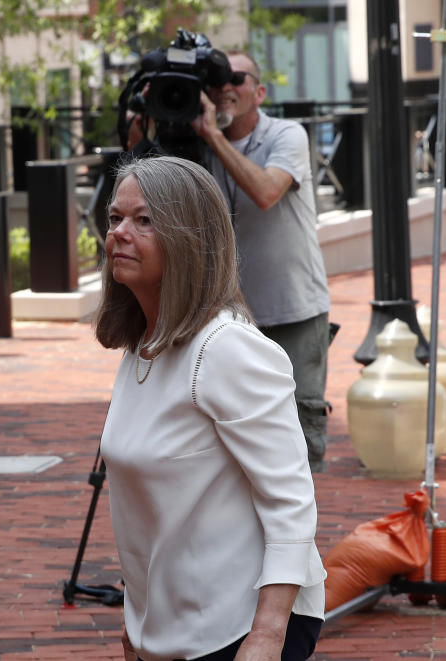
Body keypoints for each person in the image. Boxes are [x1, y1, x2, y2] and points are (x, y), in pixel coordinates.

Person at [96, 156, 326, 661]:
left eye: (145, 220)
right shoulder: (145, 344)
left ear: (189, 237)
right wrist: (135, 622)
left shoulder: (225, 347)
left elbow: (290, 502)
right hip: (171, 624)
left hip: (237, 627)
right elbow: (145, 513)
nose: (120, 233)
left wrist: (266, 636)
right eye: (115, 218)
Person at [190, 50, 333, 473]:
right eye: (215, 80)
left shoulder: (286, 134)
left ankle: (300, 539)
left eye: (236, 77)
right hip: (226, 322)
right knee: (234, 443)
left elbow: (267, 192)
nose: (225, 87)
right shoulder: (195, 144)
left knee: (299, 444)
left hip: (293, 311)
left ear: (260, 91)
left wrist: (214, 138)